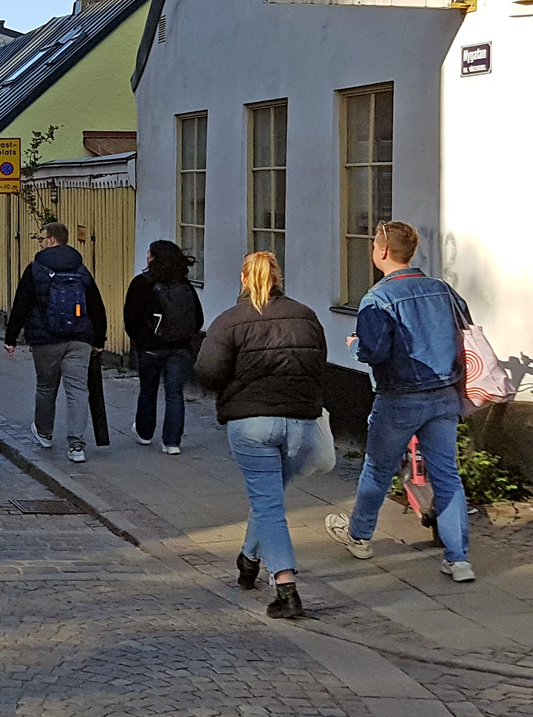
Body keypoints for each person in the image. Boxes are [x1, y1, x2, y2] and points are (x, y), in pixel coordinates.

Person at [325, 220, 476, 582]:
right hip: (444, 395)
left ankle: (360, 536)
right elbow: (466, 325)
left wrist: (353, 345)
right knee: (447, 475)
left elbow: (375, 350)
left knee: (377, 469)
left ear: (382, 252)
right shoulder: (441, 289)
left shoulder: (378, 298)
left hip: (399, 398)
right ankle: (459, 560)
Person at [194, 252, 328, 619]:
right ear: (279, 278)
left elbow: (207, 372)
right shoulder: (306, 316)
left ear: (243, 278)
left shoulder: (229, 321)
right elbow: (319, 363)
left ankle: (286, 587)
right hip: (300, 422)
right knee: (268, 496)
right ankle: (249, 560)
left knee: (268, 502)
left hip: (251, 423)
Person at [4, 222, 107, 464]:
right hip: (79, 339)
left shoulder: (35, 269)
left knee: (46, 387)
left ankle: (44, 432)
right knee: (78, 391)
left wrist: (11, 338)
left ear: (51, 240)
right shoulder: (81, 269)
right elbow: (96, 306)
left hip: (45, 339)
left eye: (41, 238)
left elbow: (21, 305)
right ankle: (76, 446)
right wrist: (99, 340)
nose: (39, 242)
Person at [123, 240, 205, 454]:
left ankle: (144, 433)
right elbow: (198, 318)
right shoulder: (184, 285)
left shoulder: (141, 283)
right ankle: (172, 442)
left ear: (153, 258)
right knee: (174, 393)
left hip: (150, 347)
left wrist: (140, 340)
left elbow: (130, 318)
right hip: (180, 347)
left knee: (148, 390)